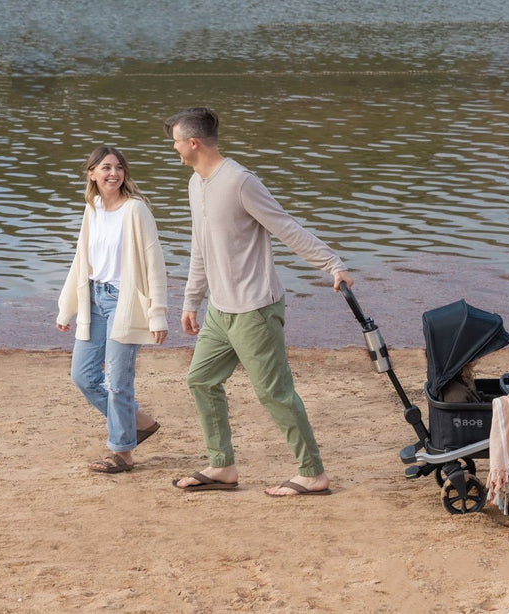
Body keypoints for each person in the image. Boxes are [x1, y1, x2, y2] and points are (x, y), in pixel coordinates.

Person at [163, 107, 354, 497]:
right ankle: (221, 465)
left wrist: (332, 263)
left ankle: (312, 473)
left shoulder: (239, 181)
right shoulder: (196, 184)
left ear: (193, 142)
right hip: (220, 310)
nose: (176, 150)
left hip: (254, 308)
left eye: (177, 142)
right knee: (200, 379)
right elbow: (200, 248)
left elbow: (286, 227)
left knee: (274, 392)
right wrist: (191, 301)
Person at [56, 146, 168, 474]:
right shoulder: (92, 209)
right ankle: (138, 421)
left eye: (118, 168)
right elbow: (81, 262)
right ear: (92, 173)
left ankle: (122, 452)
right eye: (105, 167)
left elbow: (153, 263)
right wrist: (67, 308)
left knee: (117, 381)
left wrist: (157, 312)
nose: (113, 173)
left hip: (125, 301)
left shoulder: (136, 211)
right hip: (93, 298)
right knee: (83, 375)